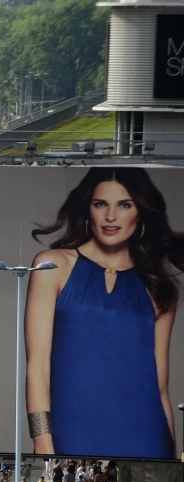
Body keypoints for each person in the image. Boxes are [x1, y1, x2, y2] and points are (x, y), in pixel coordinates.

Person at [25, 167, 182, 458]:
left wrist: (172, 465)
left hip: (148, 440)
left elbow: (160, 390)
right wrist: (42, 440)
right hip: (70, 437)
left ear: (140, 213)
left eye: (124, 205)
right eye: (101, 204)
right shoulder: (51, 267)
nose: (111, 217)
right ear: (88, 209)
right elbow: (37, 366)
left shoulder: (159, 288)